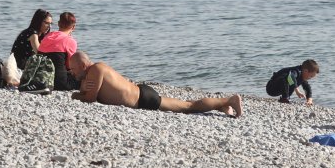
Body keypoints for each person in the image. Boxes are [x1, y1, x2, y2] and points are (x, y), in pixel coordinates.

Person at [68, 51, 242, 117]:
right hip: (141, 93)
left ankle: (230, 100)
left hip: (144, 99)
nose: (72, 73)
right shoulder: (91, 73)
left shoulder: (96, 70)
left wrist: (76, 95)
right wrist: (81, 91)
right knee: (189, 105)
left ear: (83, 65)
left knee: (189, 106)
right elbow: (88, 94)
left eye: (74, 69)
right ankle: (220, 105)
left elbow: (89, 98)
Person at [20, 12, 80, 92]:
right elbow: (71, 65)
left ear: (58, 24)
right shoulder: (70, 41)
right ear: (73, 27)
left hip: (43, 79)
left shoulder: (48, 36)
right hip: (60, 83)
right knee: (82, 79)